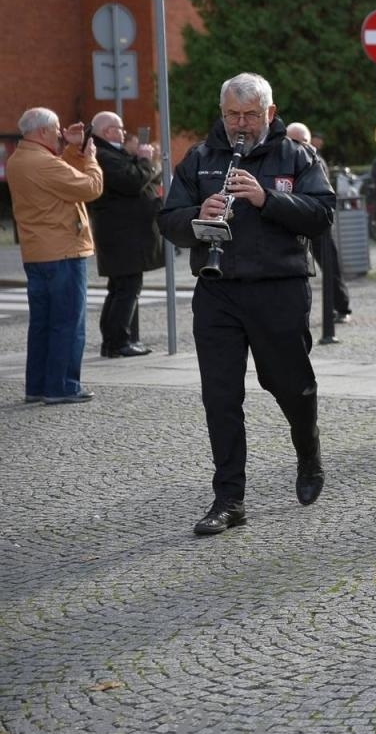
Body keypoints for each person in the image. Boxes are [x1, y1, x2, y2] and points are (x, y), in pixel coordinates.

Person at [158, 74, 334, 535]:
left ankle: (308, 451)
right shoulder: (200, 158)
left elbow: (321, 215)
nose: (241, 124)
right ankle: (228, 498)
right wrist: (199, 215)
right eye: (233, 115)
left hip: (279, 288)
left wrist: (266, 198)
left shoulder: (296, 155)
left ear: (269, 114)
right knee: (220, 396)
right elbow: (169, 219)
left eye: (250, 115)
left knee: (290, 385)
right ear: (222, 115)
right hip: (218, 290)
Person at [11, 107, 102, 404]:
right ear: (42, 132)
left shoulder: (21, 158)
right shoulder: (43, 163)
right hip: (62, 250)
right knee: (67, 322)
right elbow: (89, 186)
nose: (61, 133)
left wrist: (72, 146)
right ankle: (62, 386)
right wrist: (90, 157)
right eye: (57, 129)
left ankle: (37, 385)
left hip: (37, 252)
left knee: (42, 324)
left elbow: (61, 176)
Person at [87, 112, 162, 358]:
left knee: (121, 287)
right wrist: (143, 160)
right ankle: (119, 341)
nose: (123, 132)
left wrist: (142, 162)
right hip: (123, 236)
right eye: (119, 128)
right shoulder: (104, 155)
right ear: (108, 131)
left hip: (123, 234)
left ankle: (117, 340)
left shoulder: (108, 152)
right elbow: (131, 181)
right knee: (127, 288)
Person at [285, 123, 351, 322]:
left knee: (329, 266)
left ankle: (342, 307)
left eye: (301, 141)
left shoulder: (315, 160)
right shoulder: (283, 160)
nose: (296, 146)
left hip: (316, 221)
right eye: (291, 141)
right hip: (291, 221)